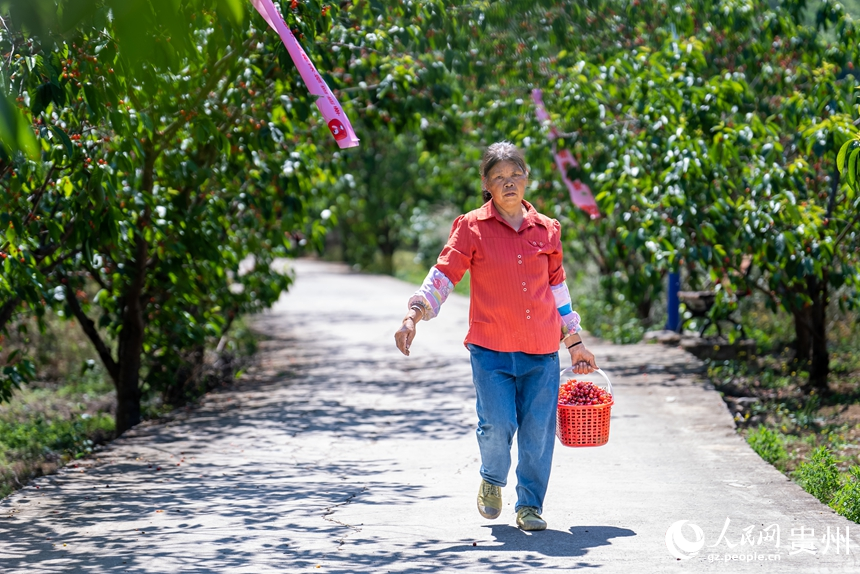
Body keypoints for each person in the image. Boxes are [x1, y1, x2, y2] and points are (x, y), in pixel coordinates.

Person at [393, 141, 598, 531]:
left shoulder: (547, 229)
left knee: (538, 432)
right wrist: (414, 314)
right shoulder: (470, 227)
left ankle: (529, 506)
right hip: (491, 351)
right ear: (486, 183)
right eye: (498, 177)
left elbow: (558, 290)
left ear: (527, 178)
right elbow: (444, 274)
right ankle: (492, 477)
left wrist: (574, 341)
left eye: (515, 175)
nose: (508, 183)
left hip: (541, 350)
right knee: (497, 425)